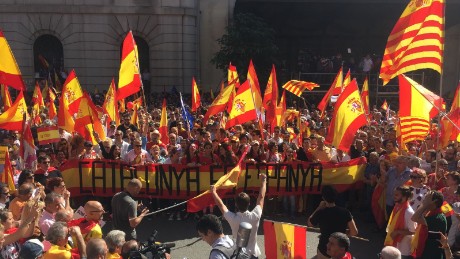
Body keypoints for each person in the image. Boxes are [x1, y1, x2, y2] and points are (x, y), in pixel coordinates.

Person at [211, 173, 267, 258]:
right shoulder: (255, 215)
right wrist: (263, 180)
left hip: (239, 254)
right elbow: (261, 197)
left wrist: (214, 192)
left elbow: (221, 205)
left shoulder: (232, 218)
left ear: (236, 205)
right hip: (253, 253)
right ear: (249, 204)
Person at [308, 185, 358, 259]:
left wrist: (319, 207)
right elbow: (354, 232)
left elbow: (310, 223)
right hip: (339, 250)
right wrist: (343, 234)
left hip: (324, 248)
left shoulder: (321, 212)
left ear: (323, 198)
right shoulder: (345, 212)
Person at [411, 191, 447, 259]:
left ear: (434, 201)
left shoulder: (437, 218)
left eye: (427, 199)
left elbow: (414, 218)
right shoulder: (432, 214)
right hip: (427, 252)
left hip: (431, 254)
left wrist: (424, 205)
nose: (424, 200)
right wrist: (425, 205)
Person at [384, 186, 416, 258]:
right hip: (395, 246)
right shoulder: (397, 206)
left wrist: (397, 232)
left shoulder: (409, 212)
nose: (394, 196)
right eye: (394, 194)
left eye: (397, 195)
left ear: (404, 197)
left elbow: (413, 231)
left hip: (403, 249)